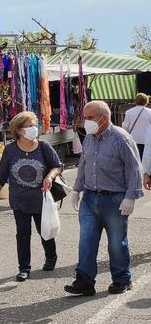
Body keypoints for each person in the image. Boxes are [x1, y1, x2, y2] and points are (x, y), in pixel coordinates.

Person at [65, 101, 144, 296]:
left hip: (115, 200)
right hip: (90, 198)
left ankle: (122, 279)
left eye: (90, 118)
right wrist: (76, 190)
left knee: (117, 243)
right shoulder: (90, 138)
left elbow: (134, 168)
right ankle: (84, 281)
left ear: (104, 118)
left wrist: (131, 197)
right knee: (86, 241)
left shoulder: (121, 139)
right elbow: (84, 164)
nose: (86, 122)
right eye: (85, 117)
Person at [0, 111, 63, 282]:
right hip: (19, 200)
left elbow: (57, 166)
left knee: (45, 231)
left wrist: (50, 176)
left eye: (35, 125)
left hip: (41, 199)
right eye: (29, 126)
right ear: (19, 130)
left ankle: (51, 257)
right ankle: (24, 268)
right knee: (22, 234)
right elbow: (1, 176)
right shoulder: (11, 150)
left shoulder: (44, 147)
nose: (34, 128)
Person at [121, 93, 151, 157]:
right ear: (146, 101)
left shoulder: (129, 112)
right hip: (147, 140)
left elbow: (125, 127)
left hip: (133, 139)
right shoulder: (149, 112)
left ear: (136, 101)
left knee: (135, 158)